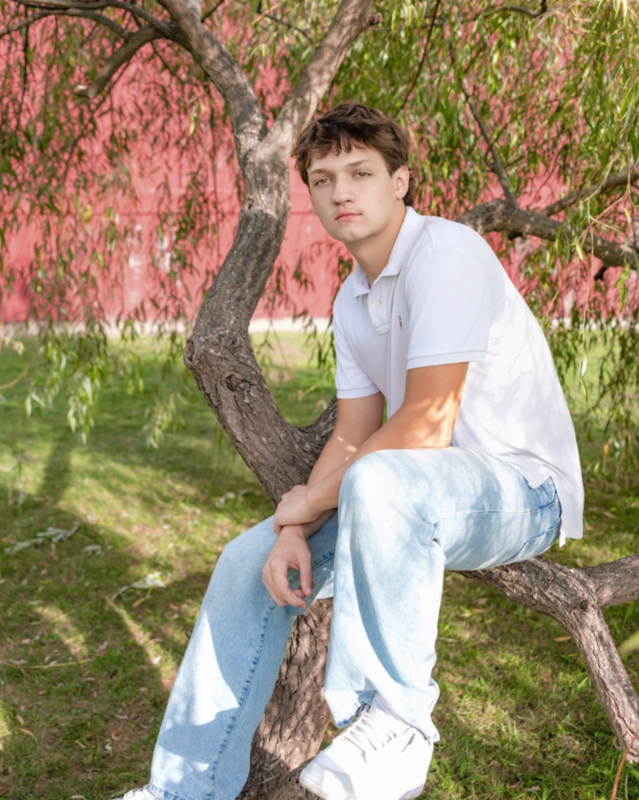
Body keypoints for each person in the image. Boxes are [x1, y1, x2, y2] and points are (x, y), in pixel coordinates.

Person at [114, 102, 583, 800]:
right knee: (249, 561)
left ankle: (394, 723)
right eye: (324, 177)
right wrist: (292, 527)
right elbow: (351, 433)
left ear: (400, 182)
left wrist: (306, 497)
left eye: (360, 172)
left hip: (523, 491)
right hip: (412, 494)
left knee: (383, 480)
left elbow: (425, 421)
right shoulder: (351, 298)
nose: (340, 192)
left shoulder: (447, 253)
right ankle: (181, 789)